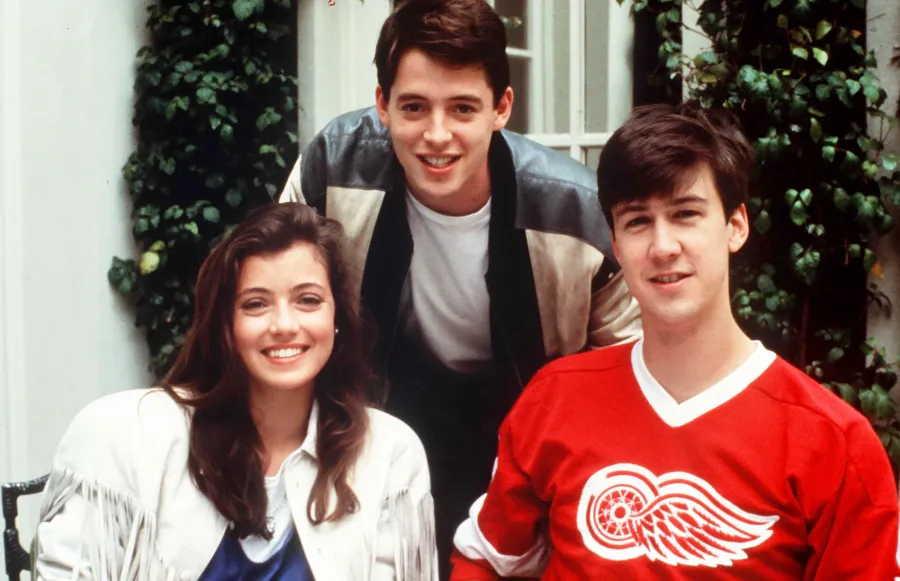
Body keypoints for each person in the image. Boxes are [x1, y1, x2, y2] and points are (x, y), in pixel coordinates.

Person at [450, 103, 900, 580]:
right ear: (617, 245)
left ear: (735, 226)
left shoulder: (834, 443)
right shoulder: (554, 399)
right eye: (638, 221)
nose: (663, 246)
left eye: (686, 214)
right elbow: (484, 561)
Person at [277, 0, 642, 570]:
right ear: (382, 106)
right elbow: (278, 305)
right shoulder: (331, 166)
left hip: (521, 422)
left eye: (463, 108)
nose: (437, 136)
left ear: (502, 108)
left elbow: (627, 377)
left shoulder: (577, 211)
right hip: (376, 405)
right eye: (415, 107)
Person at [33, 203, 437, 580]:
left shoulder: (388, 454)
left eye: (308, 300)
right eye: (256, 304)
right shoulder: (123, 436)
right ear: (225, 325)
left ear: (337, 319)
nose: (283, 324)